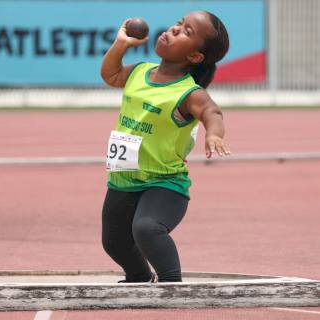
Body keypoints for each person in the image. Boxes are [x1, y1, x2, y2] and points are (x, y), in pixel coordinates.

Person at [100, 11, 231, 283]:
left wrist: (214, 135)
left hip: (164, 182)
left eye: (186, 31)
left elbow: (211, 112)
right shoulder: (140, 71)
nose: (174, 29)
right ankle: (138, 278)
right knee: (114, 242)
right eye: (179, 23)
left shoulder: (187, 92)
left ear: (195, 57)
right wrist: (121, 44)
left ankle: (173, 285)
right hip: (123, 177)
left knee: (147, 229)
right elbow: (111, 75)